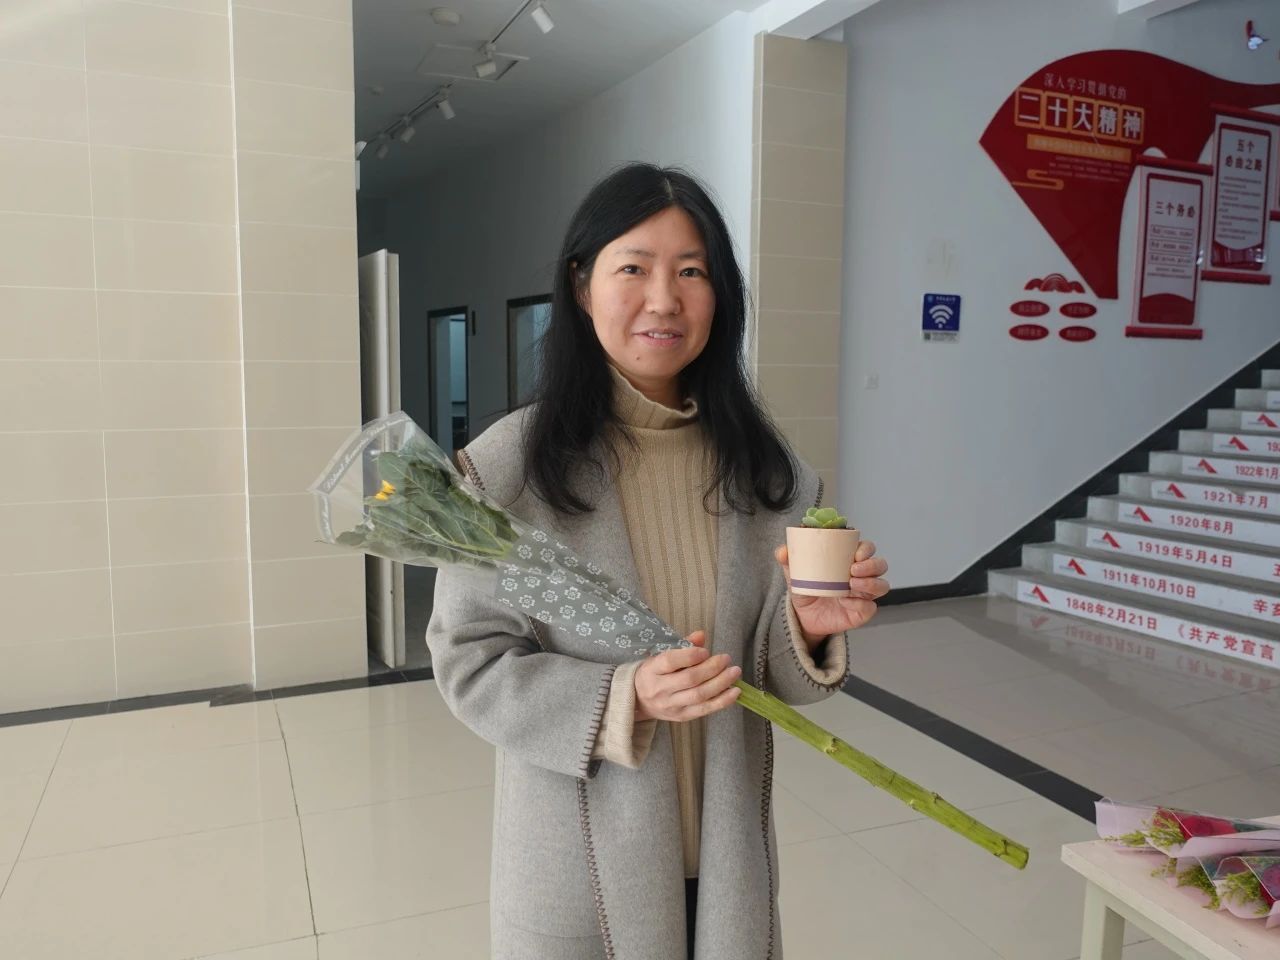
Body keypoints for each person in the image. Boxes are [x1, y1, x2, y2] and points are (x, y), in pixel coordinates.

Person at [425, 163, 890, 960]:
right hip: (579, 862)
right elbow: (469, 662)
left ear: (721, 295)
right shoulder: (506, 473)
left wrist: (807, 626)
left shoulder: (769, 473)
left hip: (726, 857)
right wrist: (623, 697)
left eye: (692, 272)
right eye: (634, 268)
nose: (665, 299)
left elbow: (766, 679)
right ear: (582, 286)